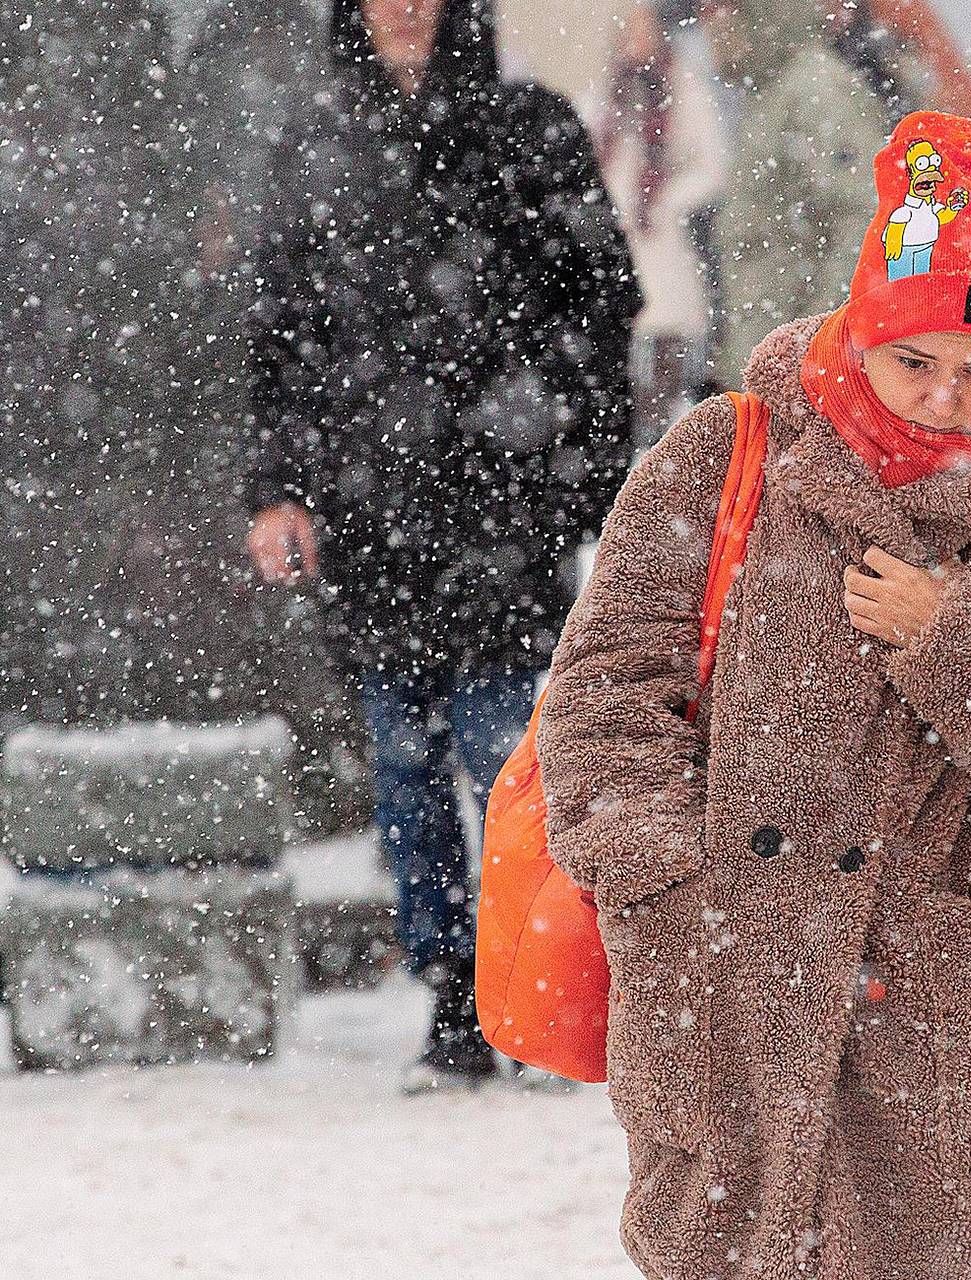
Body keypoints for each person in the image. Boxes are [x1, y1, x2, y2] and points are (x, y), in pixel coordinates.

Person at [536, 110, 971, 1279]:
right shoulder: (724, 452)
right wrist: (666, 883)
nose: (946, 400)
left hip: (959, 1010)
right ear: (856, 333)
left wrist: (960, 640)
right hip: (725, 977)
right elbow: (604, 694)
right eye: (913, 361)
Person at [243, 0, 641, 1093]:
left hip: (503, 510)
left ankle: (545, 988)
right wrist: (278, 488)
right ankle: (454, 996)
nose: (404, 8)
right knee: (405, 769)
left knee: (514, 763)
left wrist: (585, 475)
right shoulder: (314, 142)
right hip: (372, 518)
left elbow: (602, 309)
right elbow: (280, 329)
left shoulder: (530, 125)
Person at [709, 0, 916, 389]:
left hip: (801, 370)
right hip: (770, 355)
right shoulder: (773, 93)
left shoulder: (815, 91)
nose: (713, 28)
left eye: (727, 10)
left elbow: (864, 224)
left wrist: (813, 346)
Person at [592, 1, 727, 447]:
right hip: (617, 238)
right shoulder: (608, 87)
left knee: (666, 347)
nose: (632, 35)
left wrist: (667, 201)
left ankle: (661, 455)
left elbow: (714, 164)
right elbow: (590, 155)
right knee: (620, 354)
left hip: (662, 243)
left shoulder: (679, 86)